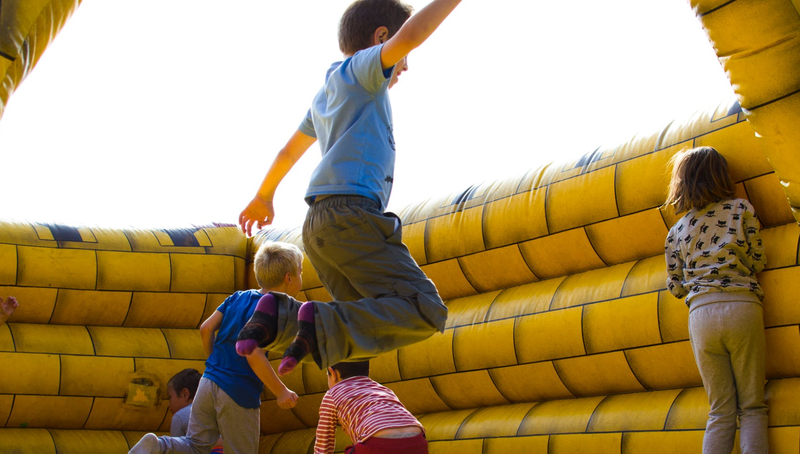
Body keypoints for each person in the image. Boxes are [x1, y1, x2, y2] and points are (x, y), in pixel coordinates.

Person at [237, 0, 461, 377]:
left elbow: (288, 150)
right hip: (351, 216)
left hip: (319, 227)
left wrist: (264, 195)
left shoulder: (328, 92)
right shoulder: (362, 72)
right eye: (401, 56)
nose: (405, 65)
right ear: (380, 38)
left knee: (356, 331)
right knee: (424, 309)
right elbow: (413, 35)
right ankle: (311, 322)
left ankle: (284, 321)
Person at [129, 242, 303, 454]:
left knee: (196, 445)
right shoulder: (274, 310)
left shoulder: (238, 297)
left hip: (208, 381)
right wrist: (281, 391)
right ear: (289, 277)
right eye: (300, 272)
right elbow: (253, 354)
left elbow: (206, 328)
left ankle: (159, 446)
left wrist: (214, 364)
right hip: (239, 390)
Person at [664, 146, 768, 454]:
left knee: (720, 411)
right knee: (751, 407)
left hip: (701, 315)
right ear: (722, 176)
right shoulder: (740, 209)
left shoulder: (677, 231)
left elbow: (675, 285)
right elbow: (758, 259)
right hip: (742, 306)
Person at [315, 361, 426, 454]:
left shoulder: (332, 394)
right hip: (417, 440)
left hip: (378, 444)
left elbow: (324, 444)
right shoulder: (383, 390)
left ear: (332, 373)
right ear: (367, 370)